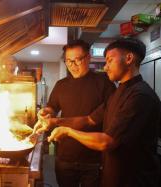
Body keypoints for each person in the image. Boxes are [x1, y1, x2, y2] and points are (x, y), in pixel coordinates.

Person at [38, 38, 161, 187]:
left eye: (109, 61)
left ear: (129, 58)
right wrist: (53, 121)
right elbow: (90, 119)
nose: (106, 67)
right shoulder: (120, 93)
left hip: (130, 178)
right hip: (109, 173)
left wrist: (68, 131)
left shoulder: (139, 95)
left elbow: (107, 141)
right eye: (68, 61)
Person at [35, 40, 115, 187]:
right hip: (65, 157)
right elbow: (53, 107)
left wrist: (57, 122)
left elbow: (96, 118)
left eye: (77, 60)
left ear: (88, 57)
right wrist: (46, 111)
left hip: (93, 159)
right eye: (68, 61)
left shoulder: (104, 83)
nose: (73, 65)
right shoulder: (61, 85)